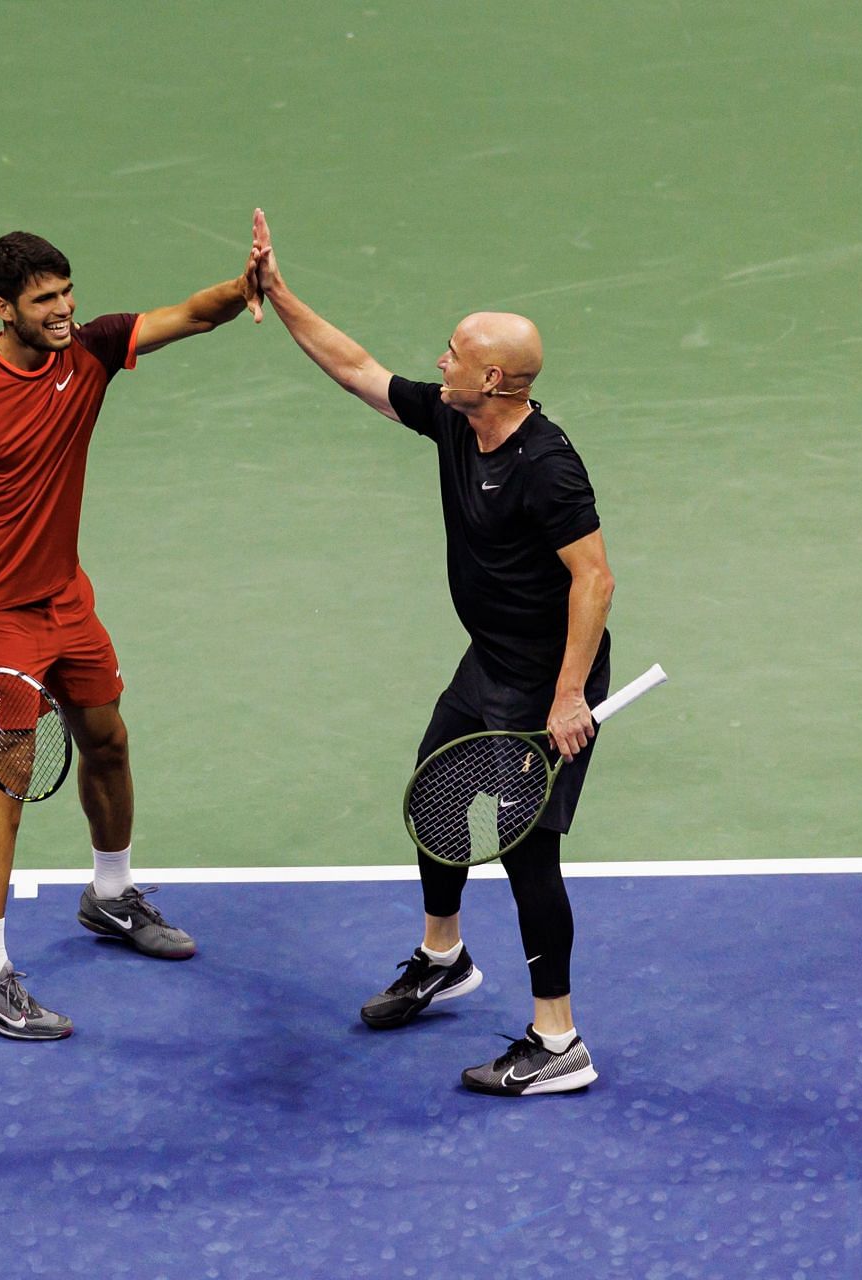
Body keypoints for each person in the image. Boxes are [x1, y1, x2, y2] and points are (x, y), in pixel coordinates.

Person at [247, 210, 615, 1095]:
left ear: (493, 376)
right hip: (489, 659)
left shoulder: (547, 466)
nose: (437, 360)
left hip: (545, 682)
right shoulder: (458, 420)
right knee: (438, 793)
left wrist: (569, 698)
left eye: (452, 352)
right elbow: (356, 370)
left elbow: (594, 581)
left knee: (529, 856)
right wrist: (280, 294)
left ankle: (558, 1039)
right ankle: (443, 955)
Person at [0, 229, 262, 1040]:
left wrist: (245, 284)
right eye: (44, 300)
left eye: (67, 292)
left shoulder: (89, 353)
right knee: (6, 782)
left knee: (107, 739)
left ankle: (112, 895)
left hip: (66, 601)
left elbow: (193, 315)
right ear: (3, 308)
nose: (63, 310)